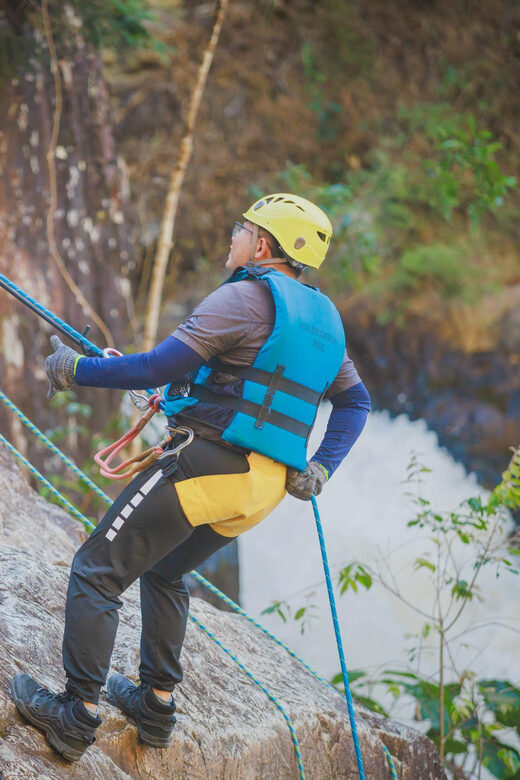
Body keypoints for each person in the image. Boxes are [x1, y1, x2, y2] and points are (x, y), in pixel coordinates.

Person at [11, 193, 371, 761]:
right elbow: (356, 403)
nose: (234, 235)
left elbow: (158, 367)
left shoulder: (244, 299)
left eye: (242, 227)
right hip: (262, 489)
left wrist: (78, 370)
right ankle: (155, 706)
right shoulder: (324, 323)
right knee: (165, 570)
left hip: (210, 466)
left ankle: (74, 715)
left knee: (96, 570)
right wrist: (322, 466)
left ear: (263, 244)